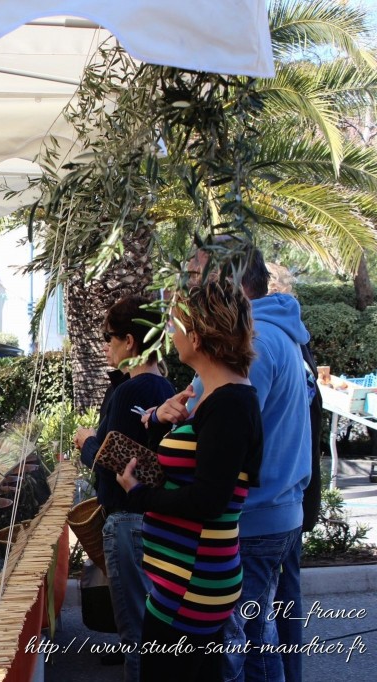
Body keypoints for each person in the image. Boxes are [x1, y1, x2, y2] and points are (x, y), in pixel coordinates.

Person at [155, 244, 312, 682]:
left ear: (231, 283)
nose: (189, 289)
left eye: (195, 277)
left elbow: (220, 434)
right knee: (262, 639)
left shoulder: (254, 344)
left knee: (249, 649)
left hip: (255, 518)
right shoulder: (269, 335)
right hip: (279, 510)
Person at [119, 279, 263, 682]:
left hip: (193, 582)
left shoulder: (229, 404)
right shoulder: (216, 399)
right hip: (185, 580)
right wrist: (159, 423)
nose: (168, 334)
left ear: (196, 337)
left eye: (174, 325)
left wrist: (138, 494)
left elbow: (209, 500)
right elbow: (188, 472)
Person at [73, 295, 175, 681]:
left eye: (109, 337)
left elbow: (121, 460)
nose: (104, 345)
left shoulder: (133, 391)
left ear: (130, 341)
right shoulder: (162, 385)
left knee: (137, 636)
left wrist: (87, 443)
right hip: (153, 520)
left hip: (129, 523)